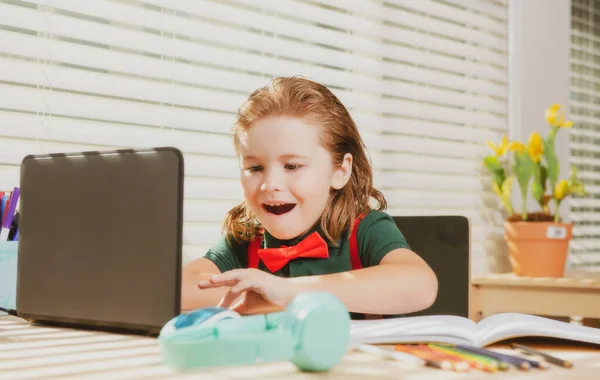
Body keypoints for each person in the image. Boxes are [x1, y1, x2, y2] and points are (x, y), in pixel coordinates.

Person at [182, 76, 438, 317]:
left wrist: (286, 292)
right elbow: (181, 287)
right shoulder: (246, 240)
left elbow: (420, 285)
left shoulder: (365, 231)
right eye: (255, 168)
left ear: (340, 171)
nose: (270, 184)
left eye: (292, 166)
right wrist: (255, 295)